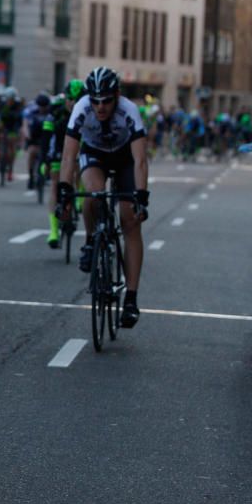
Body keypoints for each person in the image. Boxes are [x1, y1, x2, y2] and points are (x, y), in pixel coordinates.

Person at [58, 67, 149, 327]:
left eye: (106, 100)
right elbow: (68, 156)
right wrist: (64, 189)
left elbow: (140, 159)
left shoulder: (129, 110)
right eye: (95, 100)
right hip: (95, 153)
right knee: (93, 194)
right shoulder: (81, 108)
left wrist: (141, 195)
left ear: (117, 96)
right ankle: (90, 241)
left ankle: (131, 299)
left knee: (130, 220)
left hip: (124, 158)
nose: (100, 107)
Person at [45, 79, 83, 248]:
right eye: (70, 99)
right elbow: (45, 137)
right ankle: (53, 230)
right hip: (59, 148)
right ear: (65, 98)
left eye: (78, 100)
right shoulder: (56, 110)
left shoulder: (89, 110)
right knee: (55, 184)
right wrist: (44, 160)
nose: (73, 103)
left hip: (80, 148)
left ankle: (79, 196)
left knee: (81, 166)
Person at [22, 93, 52, 191]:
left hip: (47, 137)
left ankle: (47, 175)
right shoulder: (31, 111)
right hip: (34, 136)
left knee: (51, 156)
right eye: (40, 106)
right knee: (31, 152)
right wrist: (27, 135)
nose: (42, 109)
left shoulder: (51, 112)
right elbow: (25, 125)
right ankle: (31, 176)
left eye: (44, 107)